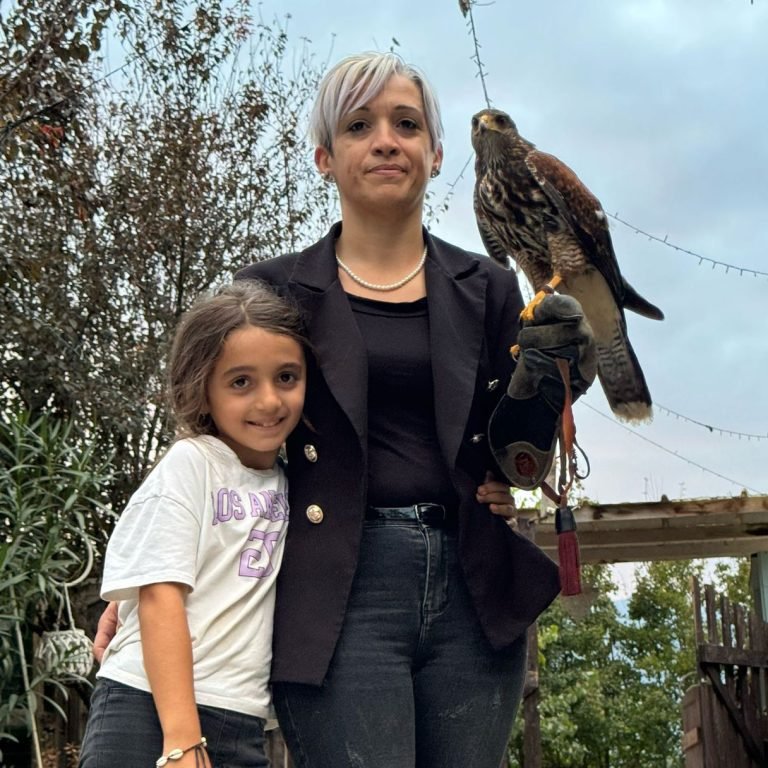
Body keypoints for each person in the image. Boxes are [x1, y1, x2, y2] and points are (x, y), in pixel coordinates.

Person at [233, 52, 593, 767]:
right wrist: (156, 567)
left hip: (472, 581)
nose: (385, 141)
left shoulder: (489, 287)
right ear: (324, 158)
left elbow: (515, 451)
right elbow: (216, 441)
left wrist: (557, 382)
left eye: (406, 124)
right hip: (337, 582)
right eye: (358, 126)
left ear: (435, 154)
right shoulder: (269, 294)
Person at [80, 280, 307, 768]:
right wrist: (181, 738)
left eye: (286, 377)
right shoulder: (192, 464)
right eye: (241, 382)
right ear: (201, 390)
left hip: (239, 716)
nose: (269, 401)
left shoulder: (294, 486)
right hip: (149, 706)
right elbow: (160, 596)